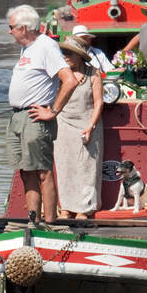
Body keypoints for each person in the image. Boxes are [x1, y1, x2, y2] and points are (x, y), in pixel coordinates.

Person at [6, 5, 79, 223]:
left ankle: (50, 223)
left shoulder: (46, 46)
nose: (9, 31)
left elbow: (70, 80)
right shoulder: (28, 48)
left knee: (42, 171)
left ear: (24, 28)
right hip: (18, 117)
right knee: (26, 171)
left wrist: (53, 111)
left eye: (11, 27)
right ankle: (33, 221)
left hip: (35, 117)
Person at [54, 37, 105, 220]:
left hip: (87, 123)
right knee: (65, 165)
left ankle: (85, 208)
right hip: (64, 123)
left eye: (69, 53)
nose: (65, 56)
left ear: (79, 56)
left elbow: (99, 101)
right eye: (63, 53)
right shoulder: (61, 74)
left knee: (88, 167)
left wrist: (91, 126)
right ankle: (66, 207)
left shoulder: (93, 73)